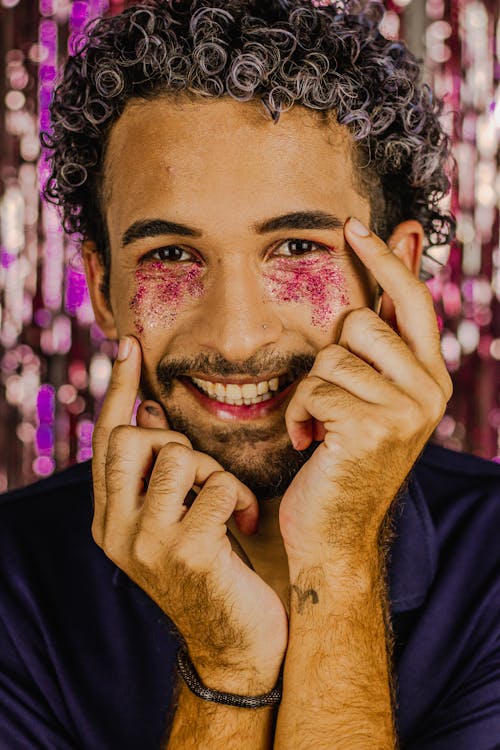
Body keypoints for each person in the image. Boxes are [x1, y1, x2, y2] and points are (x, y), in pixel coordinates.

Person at [1, 0, 499, 747]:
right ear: (102, 292)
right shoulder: (13, 582)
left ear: (393, 275)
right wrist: (229, 667)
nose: (236, 337)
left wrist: (339, 556)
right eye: (170, 254)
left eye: (297, 248)